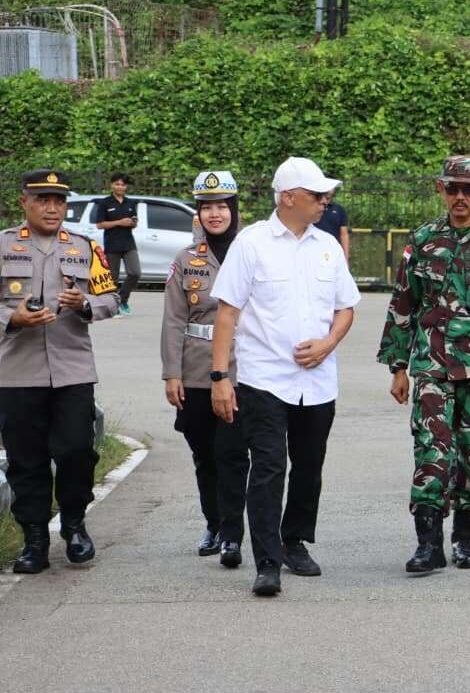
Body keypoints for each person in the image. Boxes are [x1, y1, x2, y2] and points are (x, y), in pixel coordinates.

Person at [210, 156, 360, 596]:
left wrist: (329, 342)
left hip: (318, 382)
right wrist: (220, 377)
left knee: (309, 466)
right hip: (264, 380)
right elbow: (227, 313)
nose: (325, 201)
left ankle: (295, 540)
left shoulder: (327, 246)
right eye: (317, 194)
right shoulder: (251, 244)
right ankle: (267, 561)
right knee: (269, 468)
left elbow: (346, 307)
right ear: (289, 197)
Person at [378, 156, 470, 574]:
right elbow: (403, 304)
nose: (460, 197)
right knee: (431, 449)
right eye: (453, 188)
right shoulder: (422, 240)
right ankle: (428, 545)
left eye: (469, 189)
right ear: (440, 189)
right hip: (431, 366)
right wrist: (398, 366)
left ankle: (465, 540)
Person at [0, 169, 120, 574]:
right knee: (26, 459)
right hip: (17, 372)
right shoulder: (3, 245)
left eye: (59, 201)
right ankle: (34, 539)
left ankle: (74, 523)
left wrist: (84, 304)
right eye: (43, 200)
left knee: (76, 451)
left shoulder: (86, 247)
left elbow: (110, 298)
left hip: (73, 370)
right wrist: (13, 319)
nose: (52, 208)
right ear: (25, 202)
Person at [160, 170, 250, 567]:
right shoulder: (186, 260)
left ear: (234, 209)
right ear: (198, 213)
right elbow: (173, 320)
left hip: (243, 367)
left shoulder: (251, 251)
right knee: (205, 454)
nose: (215, 214)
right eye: (207, 207)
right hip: (196, 369)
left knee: (233, 454)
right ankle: (213, 523)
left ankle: (232, 535)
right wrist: (171, 373)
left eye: (222, 206)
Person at [92, 172, 140, 316]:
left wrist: (133, 223)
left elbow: (134, 221)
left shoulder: (130, 203)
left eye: (123, 185)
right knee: (113, 277)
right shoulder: (105, 203)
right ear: (111, 185)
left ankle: (122, 299)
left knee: (135, 272)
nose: (120, 187)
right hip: (112, 244)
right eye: (117, 184)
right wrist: (119, 222)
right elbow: (100, 225)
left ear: (126, 186)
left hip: (128, 243)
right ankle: (112, 305)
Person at [315, 189, 350, 259]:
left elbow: (344, 235)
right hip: (314, 250)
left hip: (333, 251)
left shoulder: (339, 209)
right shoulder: (311, 208)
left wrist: (345, 257)